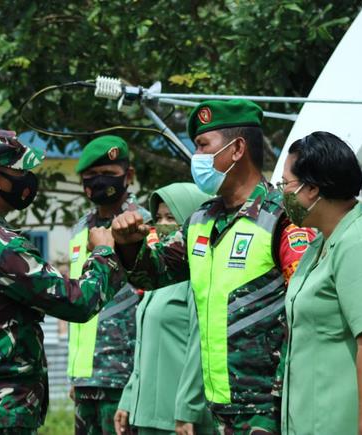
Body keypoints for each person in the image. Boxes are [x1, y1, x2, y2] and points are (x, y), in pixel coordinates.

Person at [111, 99, 315, 434]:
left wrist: (272, 413)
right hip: (217, 412)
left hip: (269, 413)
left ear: (236, 149)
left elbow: (306, 318)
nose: (196, 158)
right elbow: (152, 272)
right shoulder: (201, 220)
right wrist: (128, 242)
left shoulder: (283, 217)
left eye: (203, 146)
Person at [0, 130, 121, 434]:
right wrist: (104, 252)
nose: (28, 179)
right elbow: (78, 302)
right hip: (1, 412)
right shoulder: (2, 245)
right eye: (20, 171)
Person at [279, 131, 362, 434]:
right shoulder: (321, 244)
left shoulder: (361, 244)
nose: (281, 194)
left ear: (311, 188)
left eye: (285, 184)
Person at [67, 135, 151, 435]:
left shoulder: (143, 224)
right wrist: (76, 377)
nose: (98, 182)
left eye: (108, 174)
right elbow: (79, 298)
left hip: (125, 377)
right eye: (90, 177)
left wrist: (137, 380)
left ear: (128, 176)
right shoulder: (80, 229)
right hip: (86, 377)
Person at [114, 182, 214, 435]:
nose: (162, 224)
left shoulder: (199, 276)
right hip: (149, 416)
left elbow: (200, 348)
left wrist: (187, 410)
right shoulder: (157, 281)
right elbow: (143, 348)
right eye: (158, 217)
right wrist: (129, 398)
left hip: (181, 420)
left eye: (171, 217)